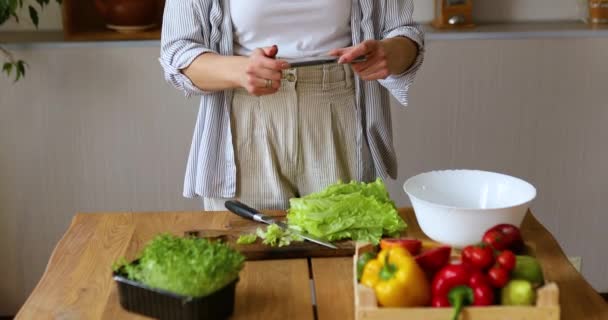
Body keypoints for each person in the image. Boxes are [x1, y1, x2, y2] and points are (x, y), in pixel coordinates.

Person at [160, 0, 424, 211]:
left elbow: (405, 33)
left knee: (345, 261)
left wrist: (390, 53)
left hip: (339, 115)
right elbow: (176, 51)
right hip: (242, 122)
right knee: (248, 264)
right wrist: (240, 71)